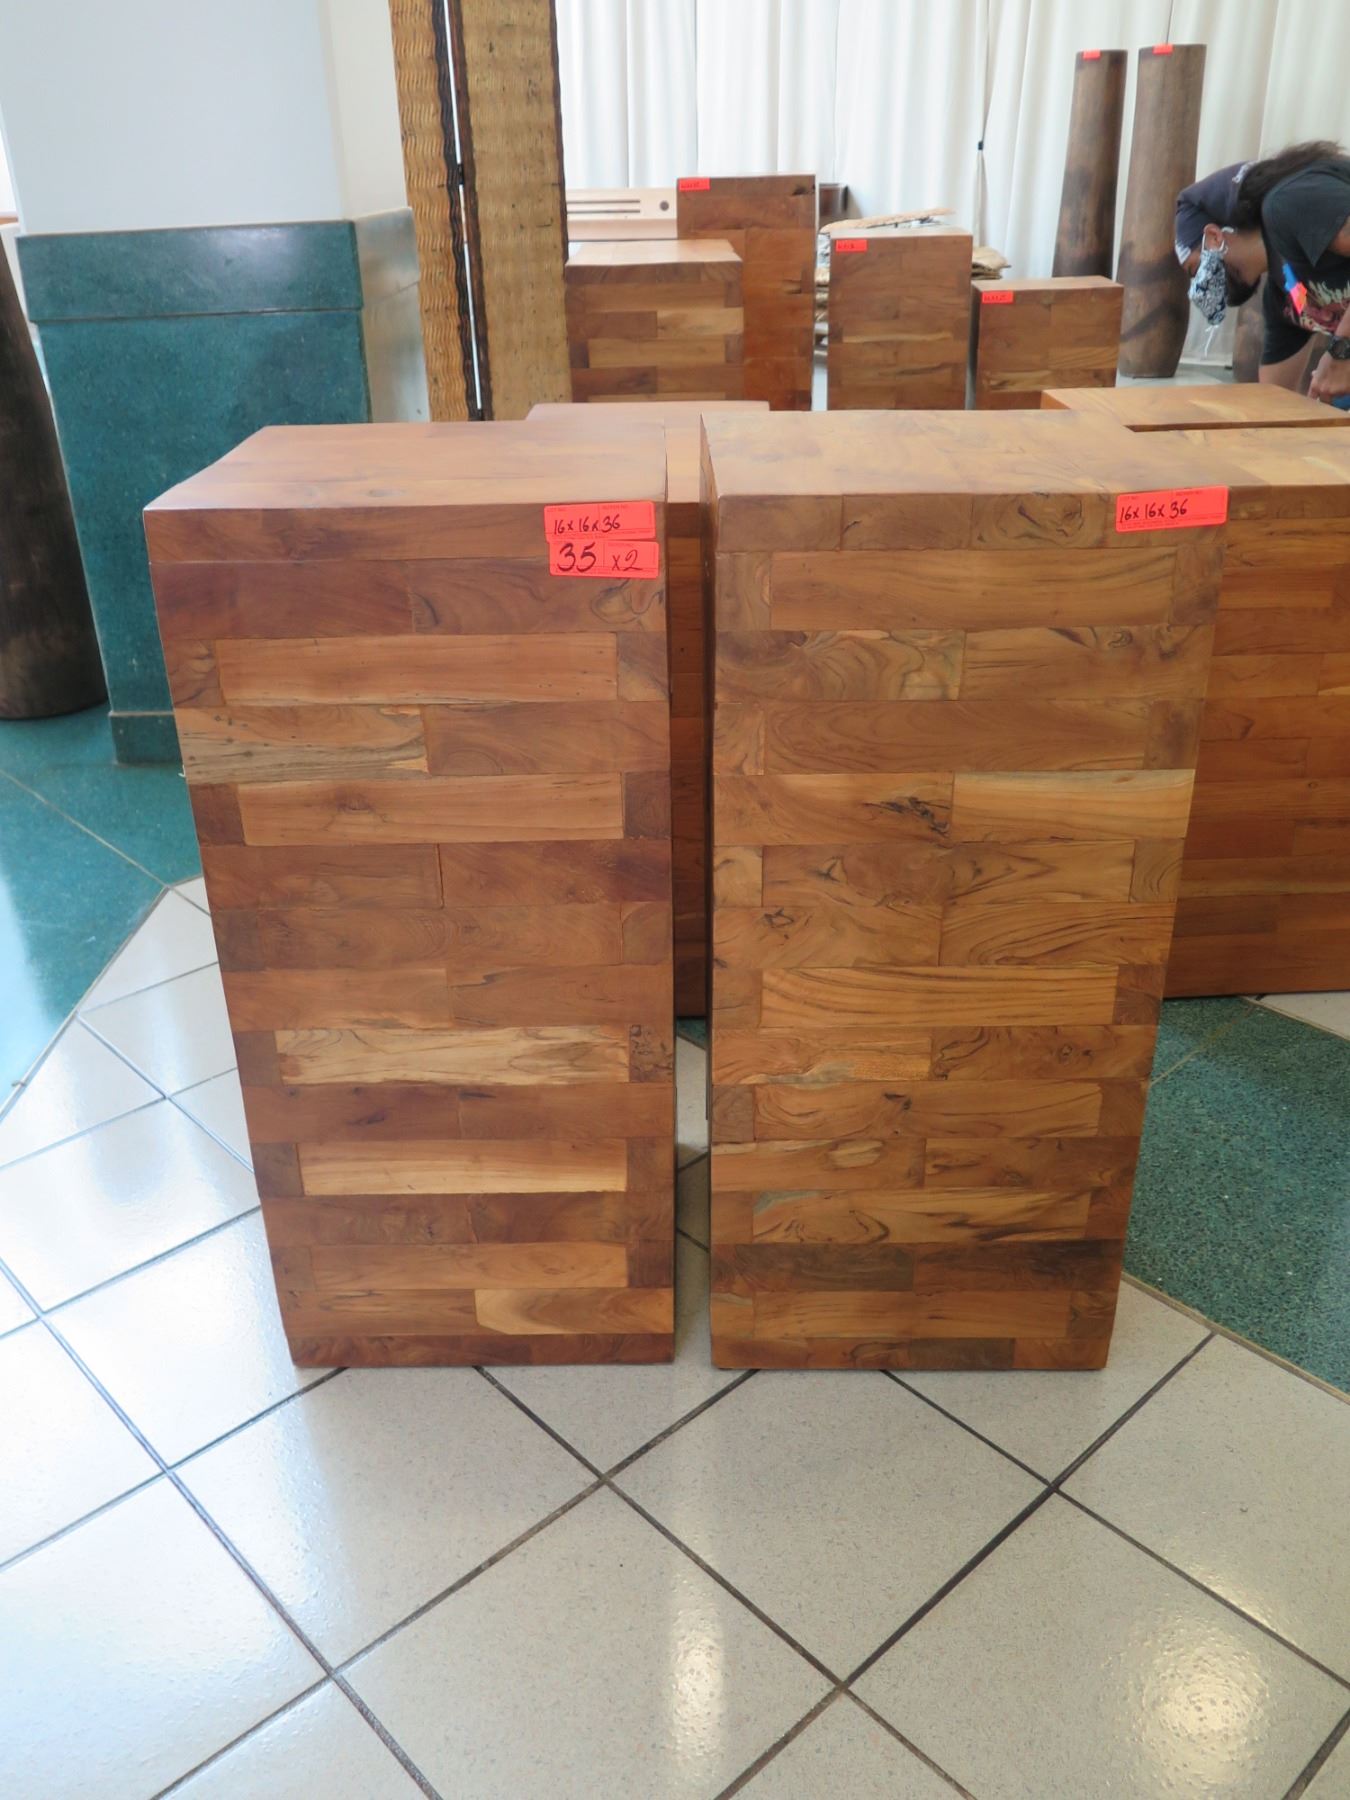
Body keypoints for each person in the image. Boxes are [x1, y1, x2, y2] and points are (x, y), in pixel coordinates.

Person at [1180, 142, 1350, 402]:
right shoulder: (1287, 296)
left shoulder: (1288, 202)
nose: (1200, 285)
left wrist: (1341, 353)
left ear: (1214, 238)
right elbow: (1273, 401)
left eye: (1195, 271)